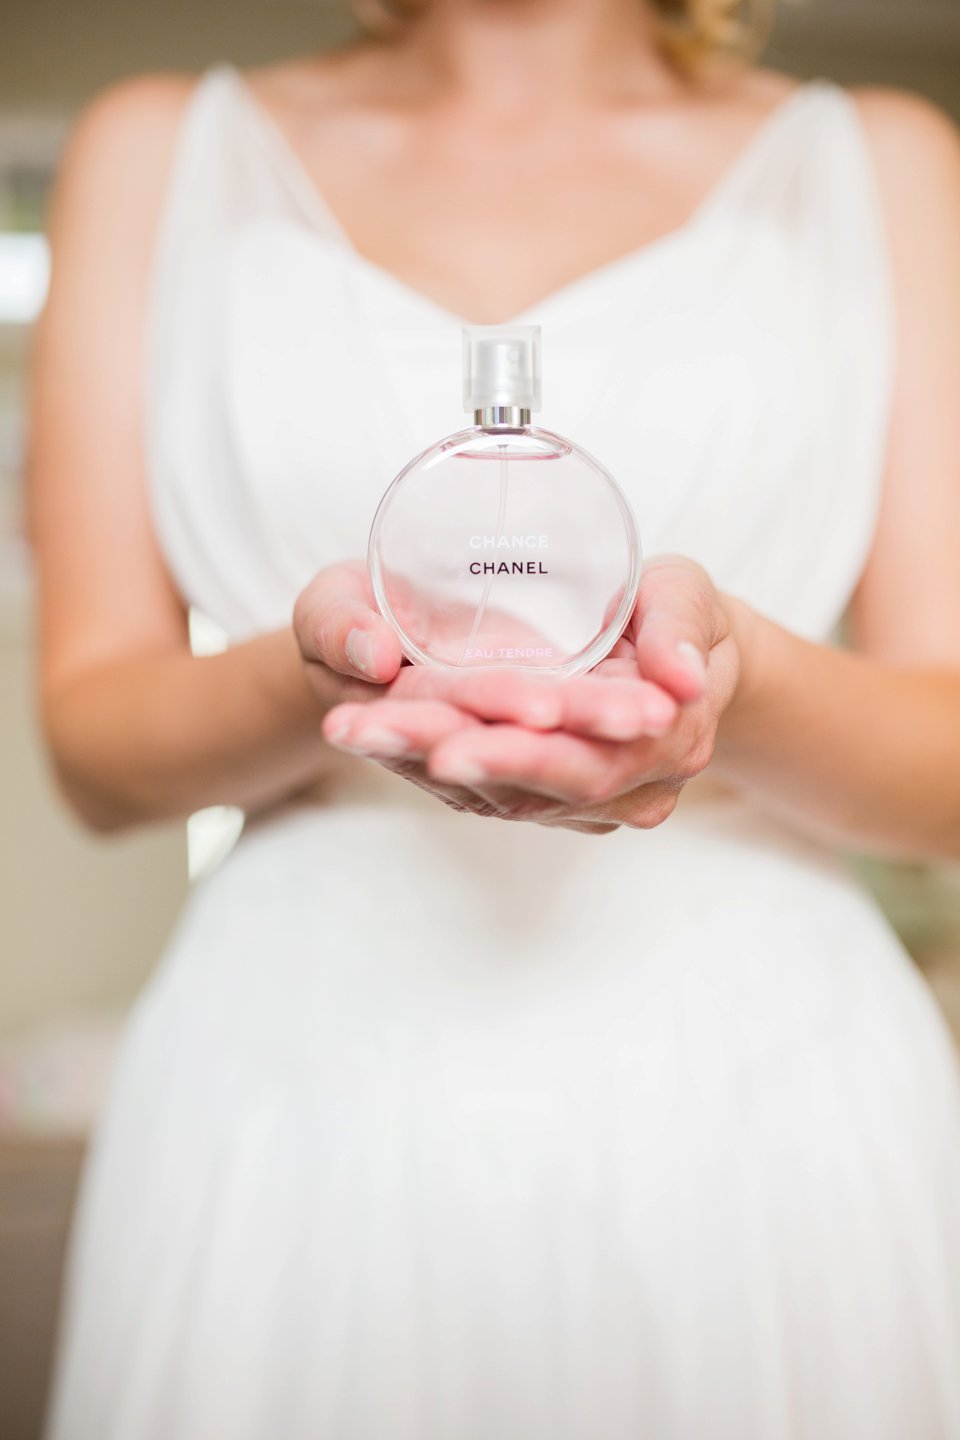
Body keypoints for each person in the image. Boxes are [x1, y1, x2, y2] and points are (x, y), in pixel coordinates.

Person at [31, 0, 960, 1435]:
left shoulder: (878, 161)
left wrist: (738, 686)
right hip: (296, 1076)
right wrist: (315, 671)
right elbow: (94, 752)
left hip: (759, 1080)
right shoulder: (160, 149)